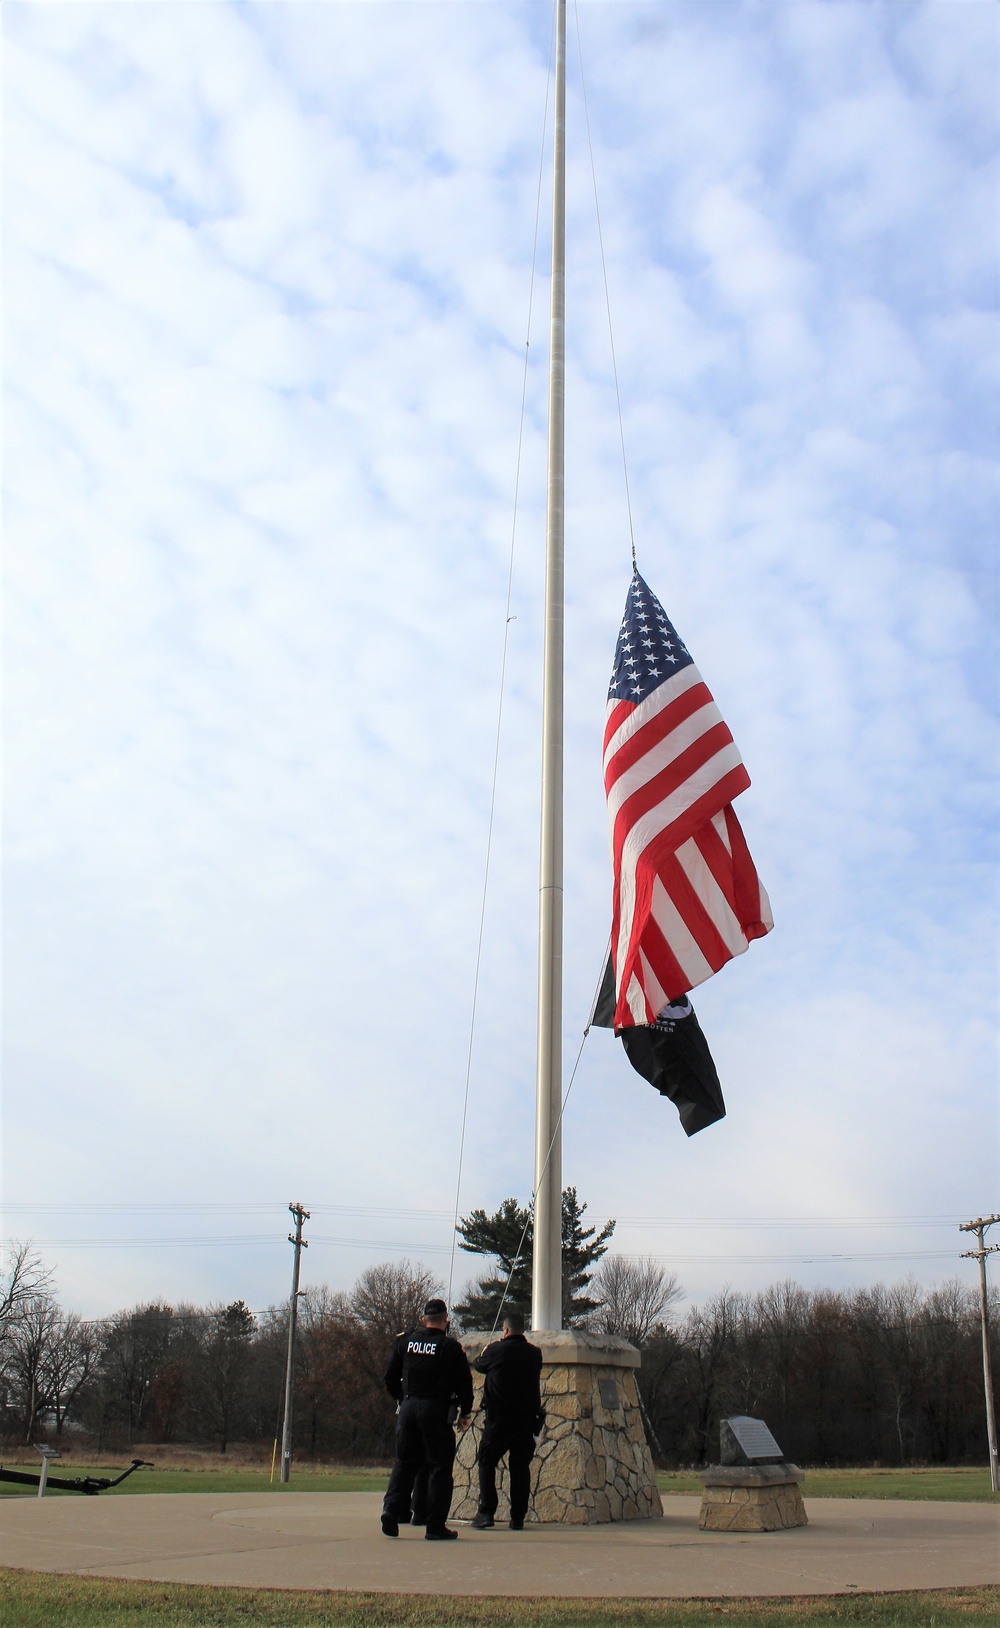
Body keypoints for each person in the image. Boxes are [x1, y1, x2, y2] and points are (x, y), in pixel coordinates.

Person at [381, 1298, 473, 1541]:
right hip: (435, 1410)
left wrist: (403, 1398)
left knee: (403, 1463)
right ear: (445, 1321)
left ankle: (390, 1510)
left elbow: (390, 1377)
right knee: (439, 1468)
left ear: (424, 1320)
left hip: (409, 1408)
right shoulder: (450, 1347)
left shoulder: (405, 1343)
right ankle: (435, 1525)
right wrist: (466, 1412)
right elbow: (465, 1384)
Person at [471, 1310, 544, 1531]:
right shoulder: (534, 1354)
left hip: (498, 1421)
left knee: (486, 1462)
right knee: (520, 1468)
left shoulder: (495, 1351)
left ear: (505, 1329)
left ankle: (487, 1512)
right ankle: (518, 1517)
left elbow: (478, 1364)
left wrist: (486, 1350)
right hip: (525, 1421)